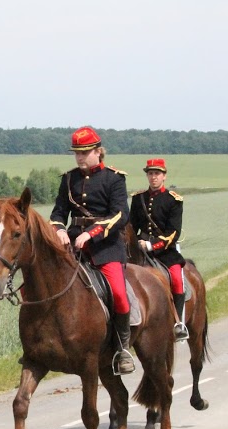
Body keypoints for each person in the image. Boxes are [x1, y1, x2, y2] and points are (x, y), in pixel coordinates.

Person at [50, 126, 134, 374]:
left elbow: (120, 215)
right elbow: (58, 213)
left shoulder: (114, 178)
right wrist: (60, 230)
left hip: (106, 248)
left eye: (85, 152)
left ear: (98, 151)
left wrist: (91, 233)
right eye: (76, 153)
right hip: (73, 246)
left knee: (118, 292)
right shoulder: (68, 179)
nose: (79, 158)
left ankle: (122, 348)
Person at [130, 158, 189, 342]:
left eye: (157, 174)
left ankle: (178, 322)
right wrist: (138, 242)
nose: (153, 177)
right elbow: (132, 226)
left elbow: (173, 233)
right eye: (150, 173)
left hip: (165, 251)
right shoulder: (138, 198)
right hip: (140, 250)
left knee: (177, 280)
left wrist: (152, 244)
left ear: (164, 176)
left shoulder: (173, 200)